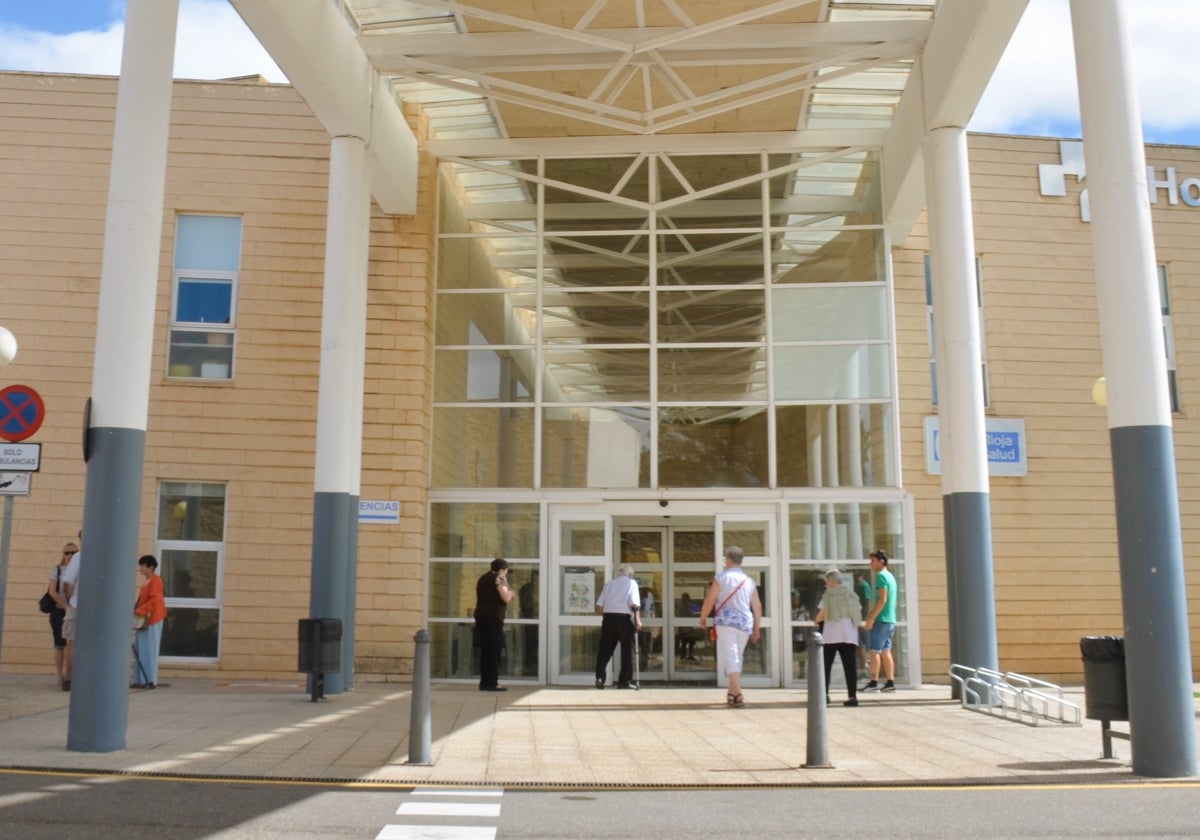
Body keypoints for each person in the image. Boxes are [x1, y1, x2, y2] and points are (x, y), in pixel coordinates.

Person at [699, 546, 762, 707]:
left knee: (731, 656)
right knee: (737, 656)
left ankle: (738, 692)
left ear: (728, 559)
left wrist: (703, 617)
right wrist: (757, 627)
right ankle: (732, 693)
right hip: (744, 623)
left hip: (725, 622)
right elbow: (757, 606)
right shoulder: (749, 581)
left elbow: (710, 600)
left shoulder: (721, 578)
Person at [815, 568, 863, 707]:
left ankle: (825, 695)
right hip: (850, 635)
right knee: (850, 666)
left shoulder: (828, 595)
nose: (826, 583)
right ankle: (852, 696)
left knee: (826, 666)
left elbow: (821, 615)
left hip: (831, 635)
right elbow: (858, 611)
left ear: (831, 581)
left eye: (826, 581)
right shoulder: (852, 595)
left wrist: (816, 620)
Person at [594, 564, 641, 689]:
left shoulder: (609, 584)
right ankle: (624, 682)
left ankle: (600, 677)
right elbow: (634, 605)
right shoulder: (632, 583)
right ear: (631, 575)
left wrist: (608, 617)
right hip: (624, 619)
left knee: (605, 650)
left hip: (608, 618)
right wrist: (638, 621)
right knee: (627, 651)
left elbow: (600, 606)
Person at [474, 558, 514, 691]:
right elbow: (506, 597)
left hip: (480, 615)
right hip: (493, 617)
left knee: (485, 650)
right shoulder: (499, 578)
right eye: (506, 571)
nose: (506, 574)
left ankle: (484, 682)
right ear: (502, 569)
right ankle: (492, 683)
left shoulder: (482, 578)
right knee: (494, 650)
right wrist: (511, 593)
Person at [862, 549, 898, 693]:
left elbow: (882, 599)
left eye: (873, 561)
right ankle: (890, 682)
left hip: (881, 620)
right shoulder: (891, 576)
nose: (871, 564)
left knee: (874, 651)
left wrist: (871, 618)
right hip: (890, 620)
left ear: (881, 561)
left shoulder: (881, 576)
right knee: (885, 651)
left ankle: (874, 682)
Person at [132, 555, 168, 689]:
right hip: (145, 618)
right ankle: (141, 679)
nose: (141, 568)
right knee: (142, 649)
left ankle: (149, 679)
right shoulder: (147, 582)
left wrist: (140, 610)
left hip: (153, 619)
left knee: (149, 649)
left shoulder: (156, 580)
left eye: (143, 565)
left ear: (151, 567)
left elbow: (154, 601)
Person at [46, 542, 76, 687]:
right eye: (67, 552)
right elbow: (52, 591)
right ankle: (60, 675)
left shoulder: (79, 568)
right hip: (59, 610)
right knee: (59, 644)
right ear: (63, 554)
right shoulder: (57, 570)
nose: (69, 555)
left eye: (73, 553)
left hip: (74, 610)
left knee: (71, 643)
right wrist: (64, 606)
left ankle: (69, 674)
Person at [59, 534, 83, 692]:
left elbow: (67, 581)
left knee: (72, 644)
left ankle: (69, 679)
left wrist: (69, 597)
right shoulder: (105, 554)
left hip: (76, 605)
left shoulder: (79, 557)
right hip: (98, 609)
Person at [853, 570, 872, 670]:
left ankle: (864, 668)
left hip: (862, 619)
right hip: (855, 618)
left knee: (862, 646)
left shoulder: (864, 586)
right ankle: (861, 667)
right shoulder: (855, 586)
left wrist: (865, 620)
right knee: (857, 646)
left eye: (857, 575)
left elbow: (869, 603)